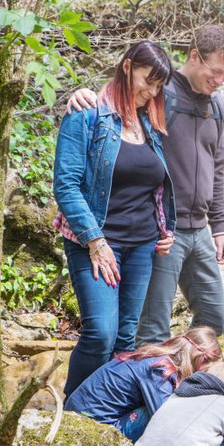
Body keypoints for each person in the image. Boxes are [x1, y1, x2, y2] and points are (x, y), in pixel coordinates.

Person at [68, 25, 224, 342]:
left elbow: (217, 167)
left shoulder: (217, 107)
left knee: (215, 316)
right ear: (194, 56)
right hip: (163, 232)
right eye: (215, 72)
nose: (219, 82)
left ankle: (185, 385)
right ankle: (151, 388)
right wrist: (84, 95)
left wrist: (220, 226)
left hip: (199, 229)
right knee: (151, 330)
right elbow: (120, 102)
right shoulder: (163, 92)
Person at [53, 40, 177, 397]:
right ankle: (75, 408)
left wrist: (164, 229)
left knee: (125, 338)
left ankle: (104, 412)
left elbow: (152, 184)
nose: (152, 92)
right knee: (100, 332)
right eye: (147, 81)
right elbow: (66, 185)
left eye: (158, 86)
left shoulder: (149, 123)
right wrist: (95, 242)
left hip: (142, 246)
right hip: (94, 241)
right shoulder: (87, 112)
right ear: (127, 67)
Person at [63, 326, 222, 441]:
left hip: (78, 418)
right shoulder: (159, 369)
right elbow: (166, 419)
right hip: (92, 429)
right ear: (201, 360)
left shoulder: (150, 357)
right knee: (162, 414)